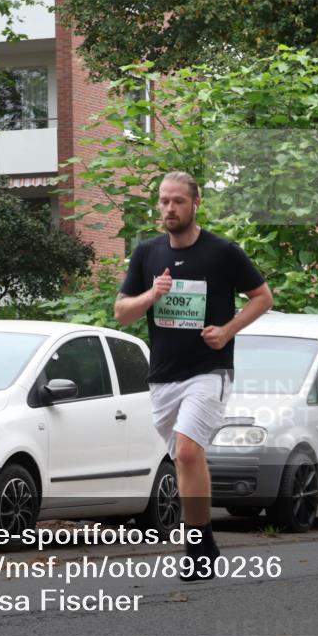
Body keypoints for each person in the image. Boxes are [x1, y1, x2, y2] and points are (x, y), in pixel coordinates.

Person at [115, 171, 273, 580]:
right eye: (164, 201)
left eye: (178, 202)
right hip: (164, 376)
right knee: (183, 457)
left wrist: (227, 330)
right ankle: (206, 541)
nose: (169, 209)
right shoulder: (147, 253)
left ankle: (195, 543)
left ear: (195, 203)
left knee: (186, 451)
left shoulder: (222, 252)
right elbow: (122, 312)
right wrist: (153, 294)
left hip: (209, 370)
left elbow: (263, 297)